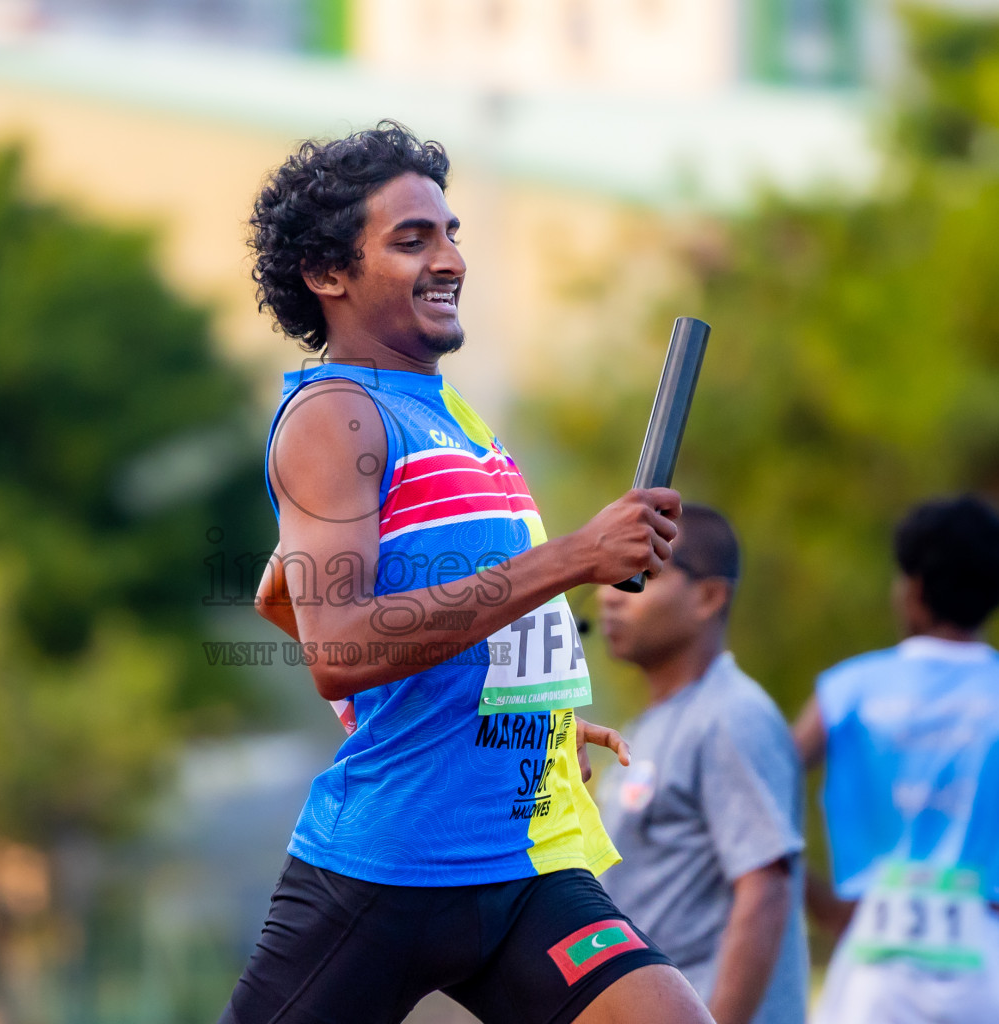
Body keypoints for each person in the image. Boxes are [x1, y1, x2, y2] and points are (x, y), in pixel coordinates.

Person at [218, 123, 713, 1024]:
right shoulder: (338, 417)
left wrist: (517, 705)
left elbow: (279, 594)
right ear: (328, 275)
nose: (450, 258)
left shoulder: (451, 416)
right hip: (386, 868)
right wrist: (572, 559)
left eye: (451, 233)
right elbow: (337, 647)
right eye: (412, 240)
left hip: (522, 866)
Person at [795, 495, 999, 1024]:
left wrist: (822, 904)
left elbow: (753, 792)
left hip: (873, 956)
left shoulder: (848, 691)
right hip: (985, 955)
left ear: (916, 589)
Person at [595, 506, 808, 1024]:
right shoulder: (651, 725)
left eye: (643, 574)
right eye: (607, 575)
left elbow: (765, 888)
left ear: (709, 598)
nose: (608, 594)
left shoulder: (732, 715)